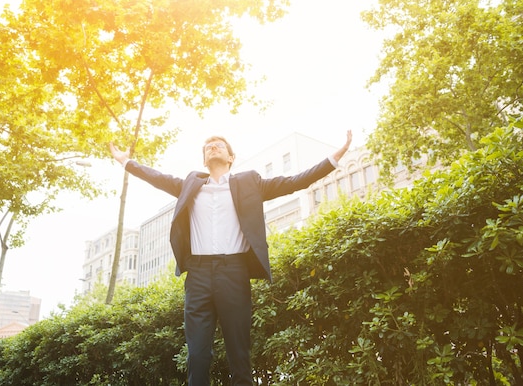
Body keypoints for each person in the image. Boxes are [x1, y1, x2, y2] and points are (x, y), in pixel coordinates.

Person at [109, 130, 352, 385]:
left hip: (233, 272)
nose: (212, 148)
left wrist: (335, 157)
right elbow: (157, 177)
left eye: (218, 145)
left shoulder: (250, 182)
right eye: (208, 147)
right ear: (204, 160)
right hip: (198, 276)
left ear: (231, 157)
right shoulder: (189, 184)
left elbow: (295, 181)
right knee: (197, 354)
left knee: (239, 353)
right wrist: (126, 162)